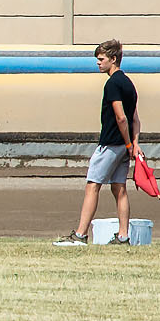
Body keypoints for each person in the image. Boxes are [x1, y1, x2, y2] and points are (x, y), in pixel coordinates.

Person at [58, 39, 139, 245]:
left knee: (92, 186)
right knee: (119, 189)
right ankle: (123, 236)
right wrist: (133, 144)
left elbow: (122, 118)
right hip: (123, 147)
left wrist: (129, 144)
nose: (98, 63)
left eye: (102, 59)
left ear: (114, 59)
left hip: (111, 144)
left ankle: (80, 234)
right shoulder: (129, 83)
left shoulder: (112, 84)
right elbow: (135, 119)